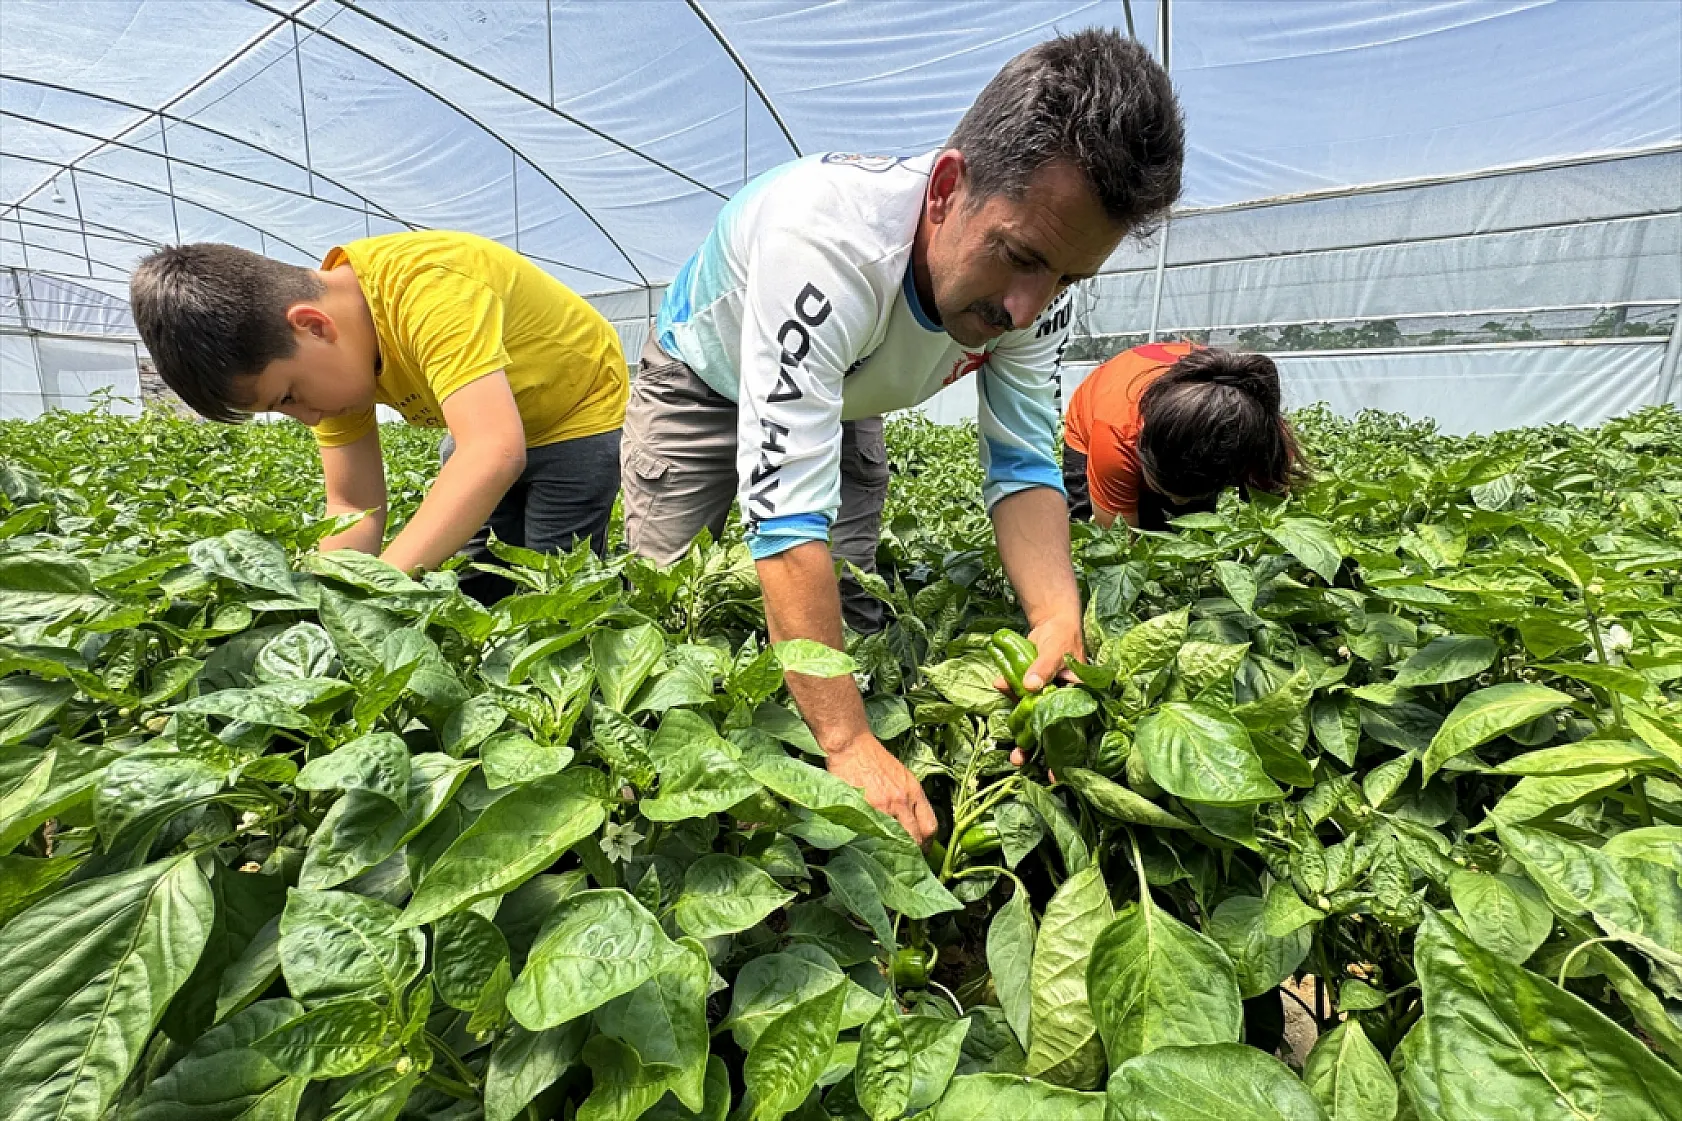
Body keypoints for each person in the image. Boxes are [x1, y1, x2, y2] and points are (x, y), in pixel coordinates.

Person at [619, 28, 1185, 842]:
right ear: (949, 186)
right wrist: (848, 741)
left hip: (845, 388)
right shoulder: (825, 244)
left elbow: (1025, 463)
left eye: (1067, 276)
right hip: (704, 384)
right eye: (1022, 257)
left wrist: (1059, 615)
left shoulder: (1038, 288)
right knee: (675, 612)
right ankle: (667, 829)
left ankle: (807, 818)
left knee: (844, 598)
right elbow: (784, 517)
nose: (1030, 306)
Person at [129, 231, 628, 601]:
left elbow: (492, 451)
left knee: (556, 587)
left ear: (313, 326)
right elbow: (352, 503)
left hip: (574, 416)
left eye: (288, 396)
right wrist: (335, 596)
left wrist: (382, 585)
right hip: (483, 421)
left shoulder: (432, 288)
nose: (306, 417)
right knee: (481, 577)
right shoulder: (328, 361)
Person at [1063, 342, 1304, 529]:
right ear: (1141, 451)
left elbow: (1270, 516)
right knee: (1090, 531)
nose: (1178, 502)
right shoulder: (1117, 434)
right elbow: (1119, 545)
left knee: (1192, 525)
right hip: (1097, 413)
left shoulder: (1261, 436)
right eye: (1166, 490)